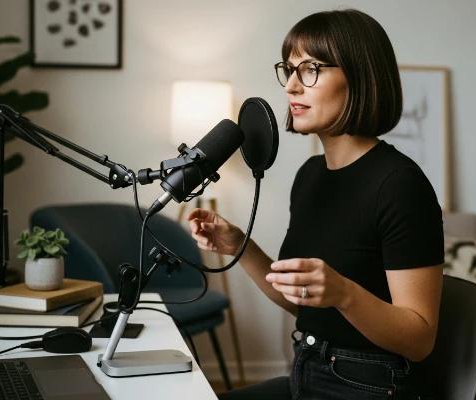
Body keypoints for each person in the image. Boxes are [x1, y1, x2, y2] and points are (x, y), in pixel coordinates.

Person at [188, 9, 444, 400]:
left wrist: (344, 293)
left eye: (310, 69)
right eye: (289, 70)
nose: (291, 86)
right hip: (306, 372)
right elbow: (304, 304)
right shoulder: (310, 176)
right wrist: (239, 246)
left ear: (359, 76)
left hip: (372, 386)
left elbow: (420, 337)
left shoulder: (400, 185)